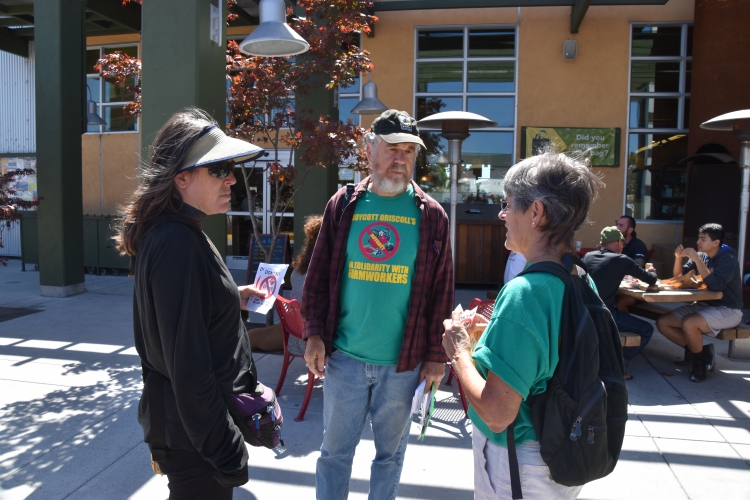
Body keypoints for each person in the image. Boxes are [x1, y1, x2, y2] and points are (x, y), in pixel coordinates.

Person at [301, 109, 454, 500]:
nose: (400, 159)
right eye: (392, 148)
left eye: (408, 151)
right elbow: (317, 276)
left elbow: (441, 292)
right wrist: (314, 334)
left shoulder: (432, 215)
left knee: (390, 456)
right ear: (369, 150)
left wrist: (436, 357)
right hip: (345, 359)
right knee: (334, 454)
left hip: (403, 366)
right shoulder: (344, 205)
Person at [116, 108, 267, 499]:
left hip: (190, 429)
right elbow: (188, 367)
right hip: (194, 437)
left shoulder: (177, 231)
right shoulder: (176, 242)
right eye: (219, 169)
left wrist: (231, 297)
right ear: (180, 178)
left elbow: (179, 315)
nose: (231, 178)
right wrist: (226, 450)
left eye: (231, 168)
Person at [442, 151, 603, 500]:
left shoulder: (524, 292)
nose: (501, 214)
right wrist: (493, 332)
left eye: (507, 203)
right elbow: (552, 352)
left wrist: (458, 351)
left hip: (518, 464)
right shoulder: (578, 277)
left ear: (536, 212)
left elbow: (497, 413)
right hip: (561, 451)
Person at [655, 223, 743, 382]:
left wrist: (696, 259)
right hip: (705, 305)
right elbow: (678, 278)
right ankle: (702, 353)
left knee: (689, 323)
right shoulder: (702, 256)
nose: (698, 242)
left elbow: (716, 286)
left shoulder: (728, 258)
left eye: (703, 239)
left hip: (728, 309)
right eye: (698, 238)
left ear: (716, 242)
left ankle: (699, 365)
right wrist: (678, 258)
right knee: (663, 322)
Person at [583, 226, 658, 380]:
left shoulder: (588, 256)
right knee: (647, 330)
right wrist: (652, 272)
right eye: (622, 243)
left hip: (583, 312)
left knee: (622, 309)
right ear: (618, 242)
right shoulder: (621, 260)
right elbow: (650, 280)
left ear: (601, 243)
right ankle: (618, 366)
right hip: (605, 315)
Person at [247, 215, 324, 352]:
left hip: (292, 327)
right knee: (252, 338)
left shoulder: (299, 269)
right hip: (309, 337)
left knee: (252, 336)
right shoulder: (325, 273)